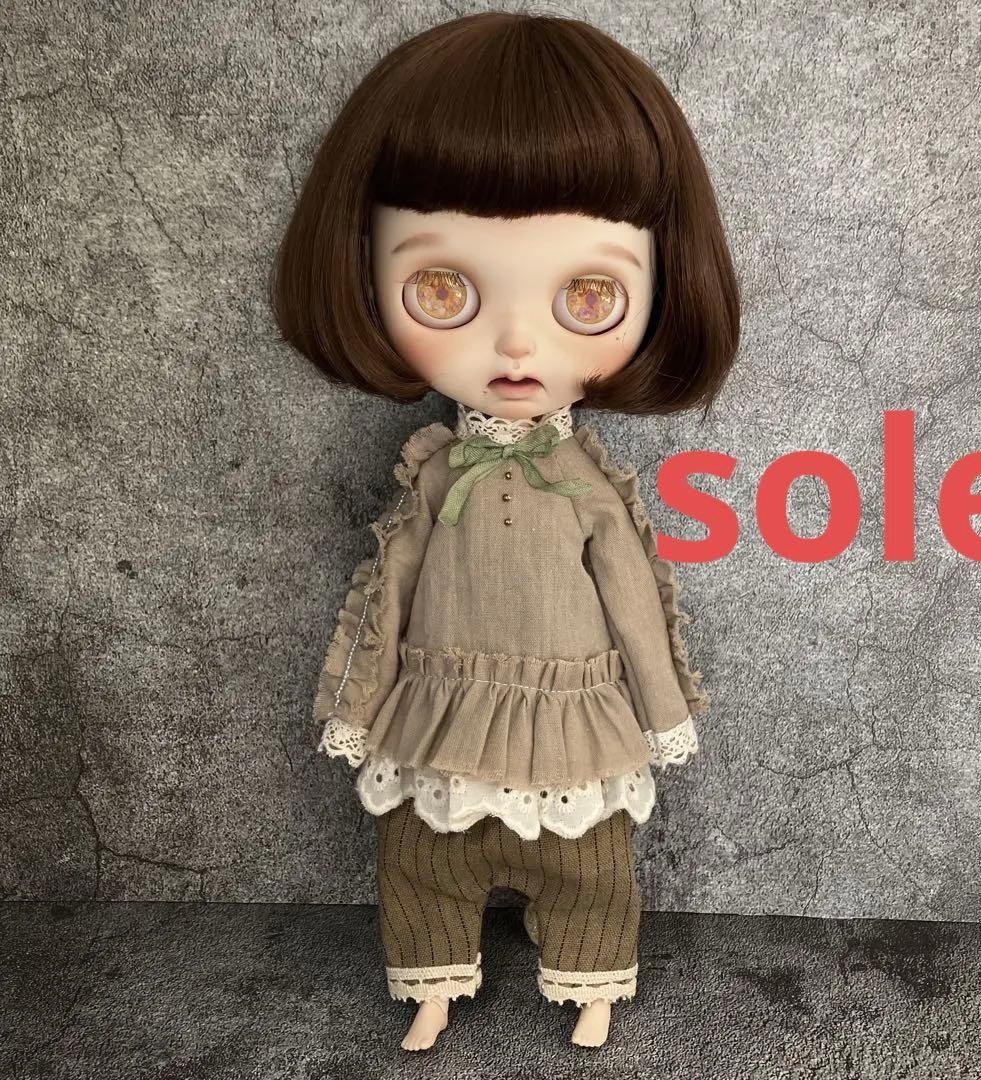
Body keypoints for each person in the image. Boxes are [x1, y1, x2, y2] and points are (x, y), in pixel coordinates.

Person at [271, 10, 740, 1052]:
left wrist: (663, 713)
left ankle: (592, 977)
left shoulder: (587, 486)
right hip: (440, 710)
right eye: (444, 289)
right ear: (363, 271)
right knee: (422, 855)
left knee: (590, 862)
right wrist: (357, 705)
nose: (518, 342)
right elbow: (387, 595)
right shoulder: (431, 476)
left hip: (573, 717)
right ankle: (433, 981)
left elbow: (634, 601)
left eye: (588, 292)